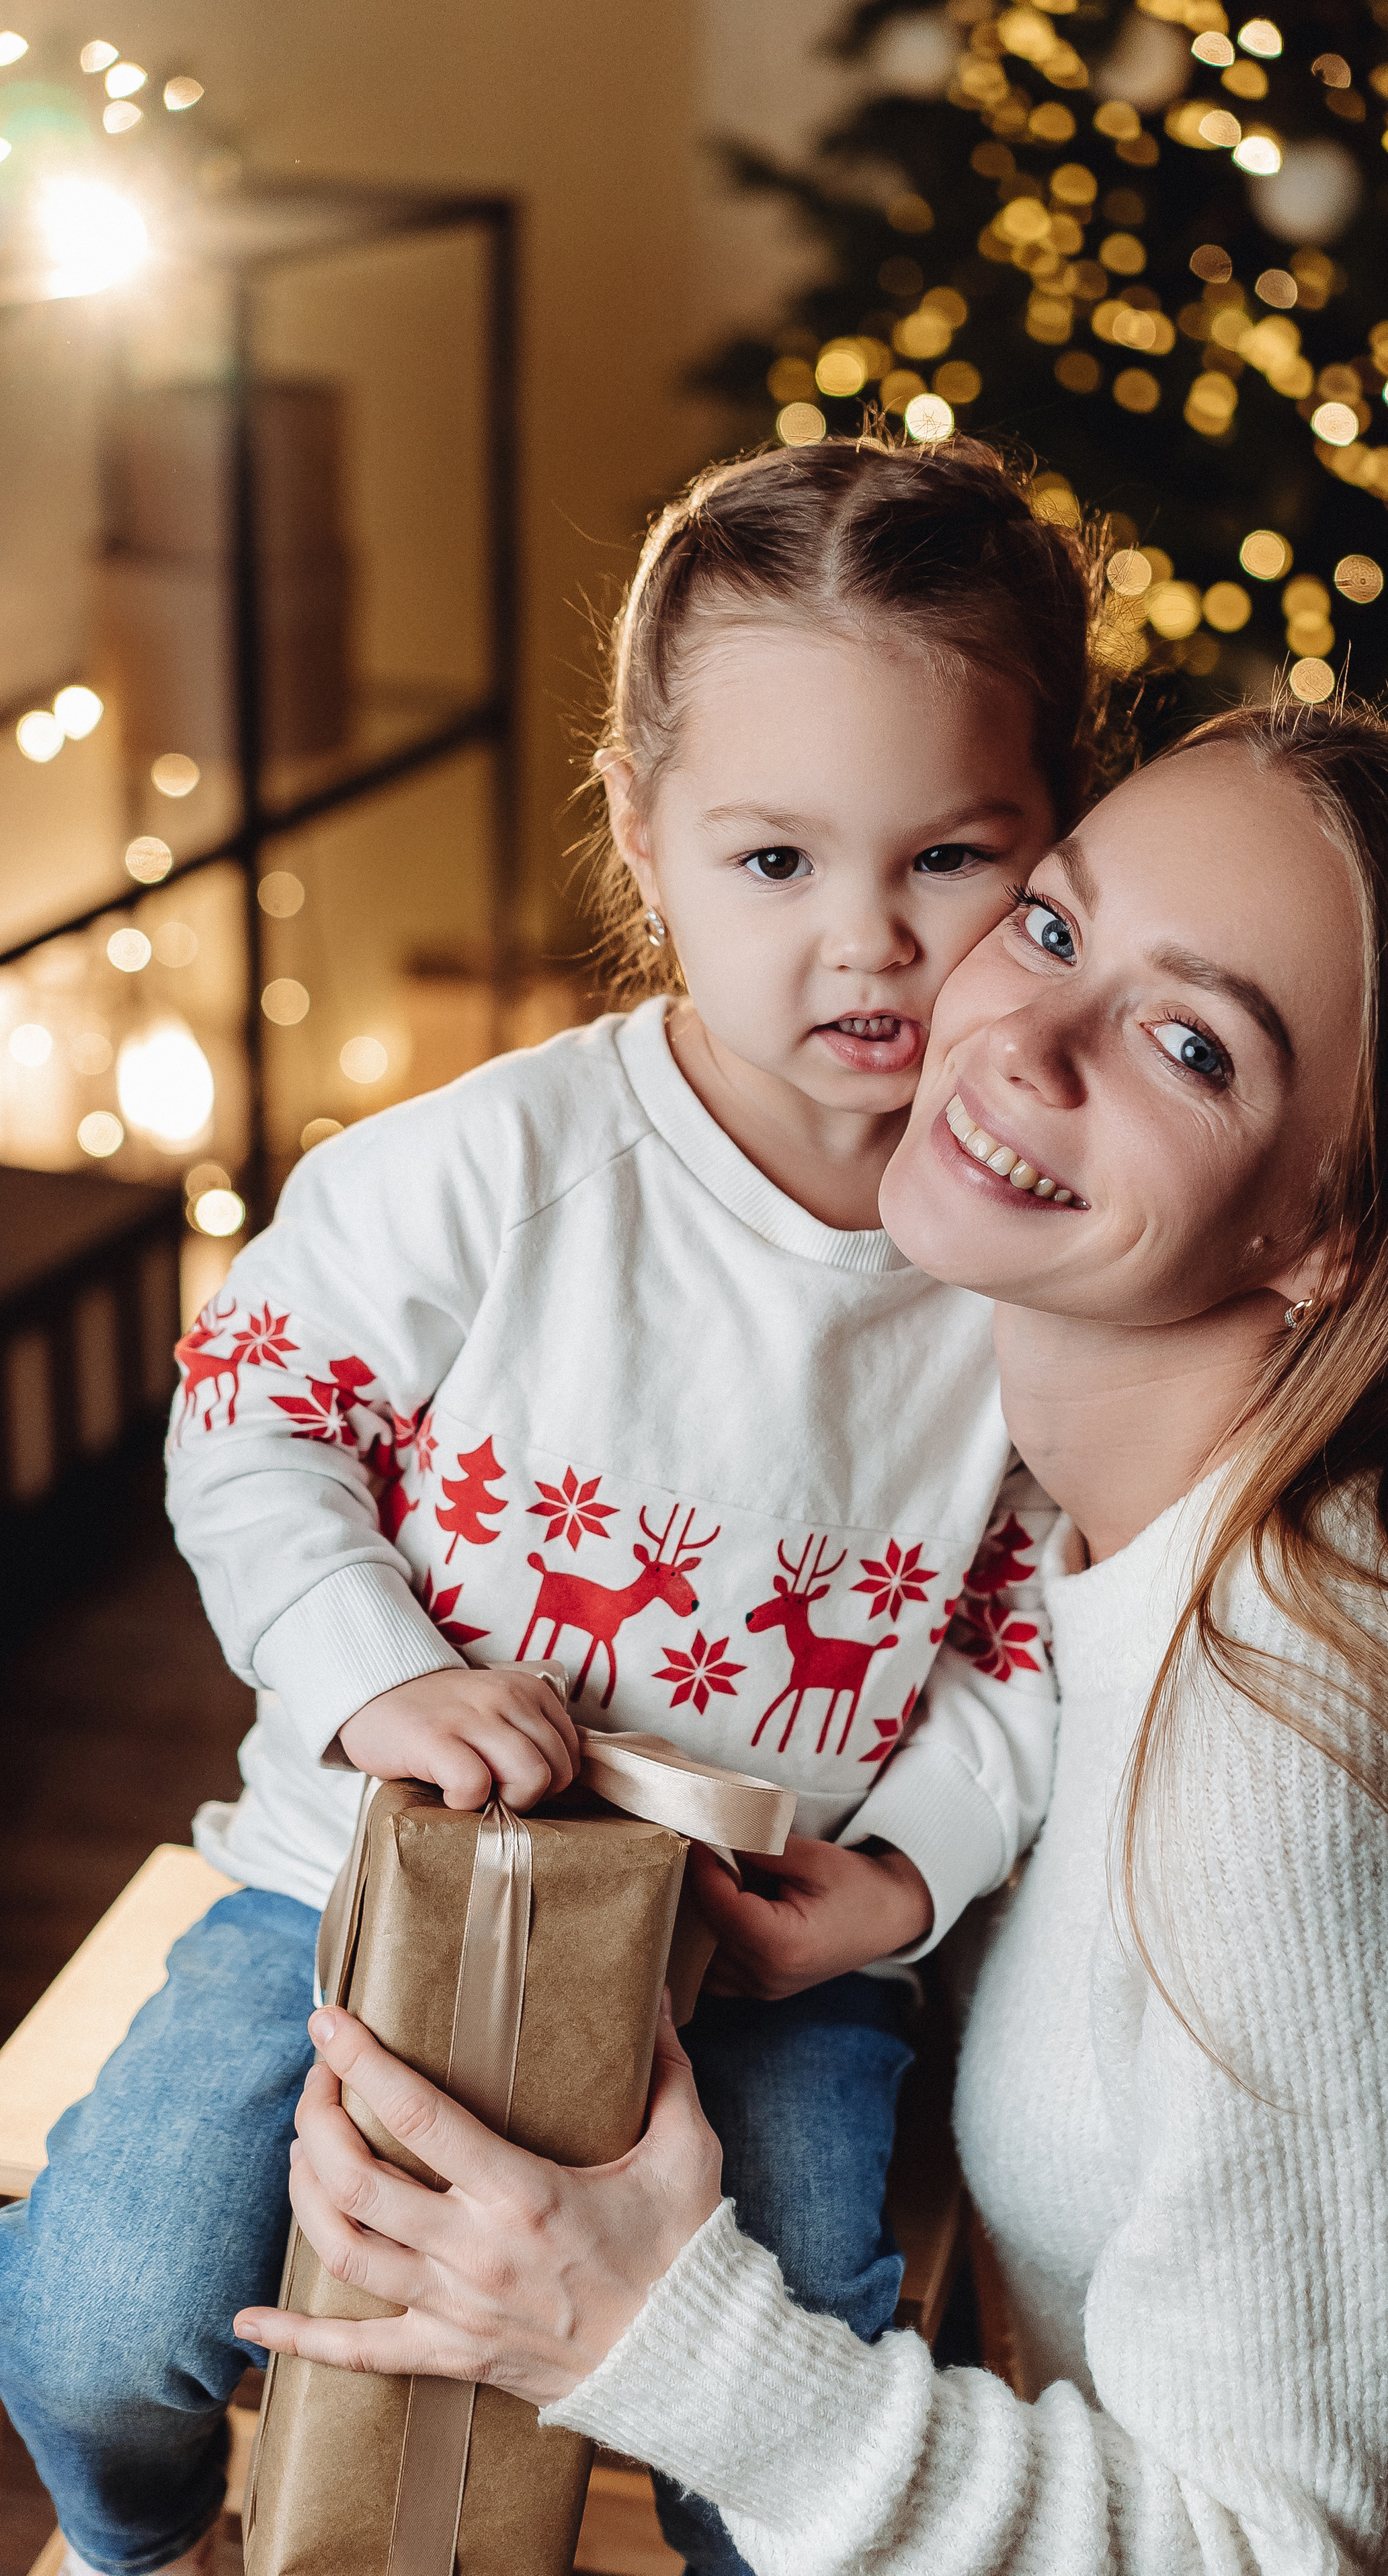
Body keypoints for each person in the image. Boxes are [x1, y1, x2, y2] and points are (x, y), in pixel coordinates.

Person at [245, 700, 1388, 2571]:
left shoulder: (1306, 1755)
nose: (1019, 1036)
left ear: (1334, 1233)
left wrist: (636, 2326)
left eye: (1189, 1043)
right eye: (1049, 922)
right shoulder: (1110, 1545)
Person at [0, 433, 1112, 2576]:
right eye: (775, 860)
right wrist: (380, 1673)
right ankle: (148, 2552)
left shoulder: (1031, 1261)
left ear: (1054, 843)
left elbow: (1033, 1623)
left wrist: (898, 1882)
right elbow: (249, 1423)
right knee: (101, 2326)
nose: (868, 945)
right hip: (358, 1887)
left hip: (757, 1967)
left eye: (952, 858)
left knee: (779, 2418)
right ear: (643, 830)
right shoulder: (488, 1170)